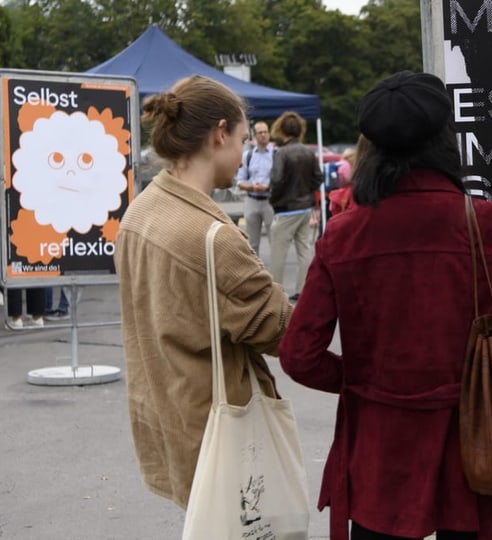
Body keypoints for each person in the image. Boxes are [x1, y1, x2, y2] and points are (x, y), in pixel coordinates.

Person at [278, 71, 492, 540]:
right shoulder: (489, 226)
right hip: (476, 441)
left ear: (372, 148)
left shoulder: (343, 235)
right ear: (447, 140)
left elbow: (298, 356)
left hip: (379, 448)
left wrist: (359, 381)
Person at [114, 75, 293, 511]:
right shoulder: (213, 236)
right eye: (241, 138)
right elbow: (280, 330)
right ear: (219, 134)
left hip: (166, 413)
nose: (243, 151)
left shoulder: (138, 212)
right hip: (217, 427)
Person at [268, 111, 321, 301]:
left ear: (282, 130)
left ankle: (275, 292)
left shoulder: (281, 152)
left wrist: (274, 201)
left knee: (278, 253)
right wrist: (307, 191)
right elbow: (319, 177)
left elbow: (277, 180)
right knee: (304, 250)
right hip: (305, 207)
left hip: (286, 209)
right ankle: (303, 288)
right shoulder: (308, 152)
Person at [234, 120, 275, 256]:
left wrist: (268, 186)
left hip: (271, 200)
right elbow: (240, 181)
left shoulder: (275, 154)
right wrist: (252, 186)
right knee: (252, 242)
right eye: (260, 132)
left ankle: (275, 271)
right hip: (252, 200)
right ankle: (255, 271)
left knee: (274, 238)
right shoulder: (248, 156)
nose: (263, 135)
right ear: (255, 136)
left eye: (266, 132)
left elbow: (282, 179)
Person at [327, 145, 358, 216]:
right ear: (351, 157)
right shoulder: (346, 165)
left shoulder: (340, 163)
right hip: (342, 193)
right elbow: (347, 179)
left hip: (336, 192)